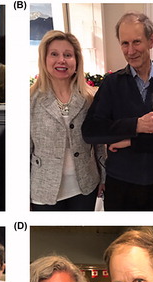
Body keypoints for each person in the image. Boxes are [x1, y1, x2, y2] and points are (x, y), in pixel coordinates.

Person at [82, 12, 153, 211]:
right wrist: (136, 125)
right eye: (125, 43)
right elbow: (91, 131)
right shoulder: (111, 84)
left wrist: (131, 141)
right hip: (121, 186)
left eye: (136, 42)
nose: (130, 51)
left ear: (151, 41)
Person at [30, 30, 106, 211]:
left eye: (68, 55)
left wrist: (103, 178)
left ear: (77, 60)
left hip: (85, 186)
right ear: (44, 59)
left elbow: (99, 144)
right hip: (43, 191)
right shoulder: (30, 100)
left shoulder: (89, 98)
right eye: (54, 54)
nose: (61, 60)